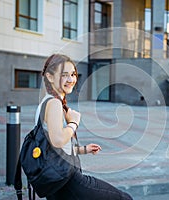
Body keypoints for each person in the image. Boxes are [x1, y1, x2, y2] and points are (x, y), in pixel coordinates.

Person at [35, 54, 133, 200]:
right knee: (124, 198)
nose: (71, 80)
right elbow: (57, 140)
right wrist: (74, 122)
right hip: (68, 181)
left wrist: (83, 149)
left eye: (73, 74)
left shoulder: (47, 102)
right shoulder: (53, 103)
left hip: (58, 181)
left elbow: (54, 149)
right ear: (50, 77)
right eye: (64, 75)